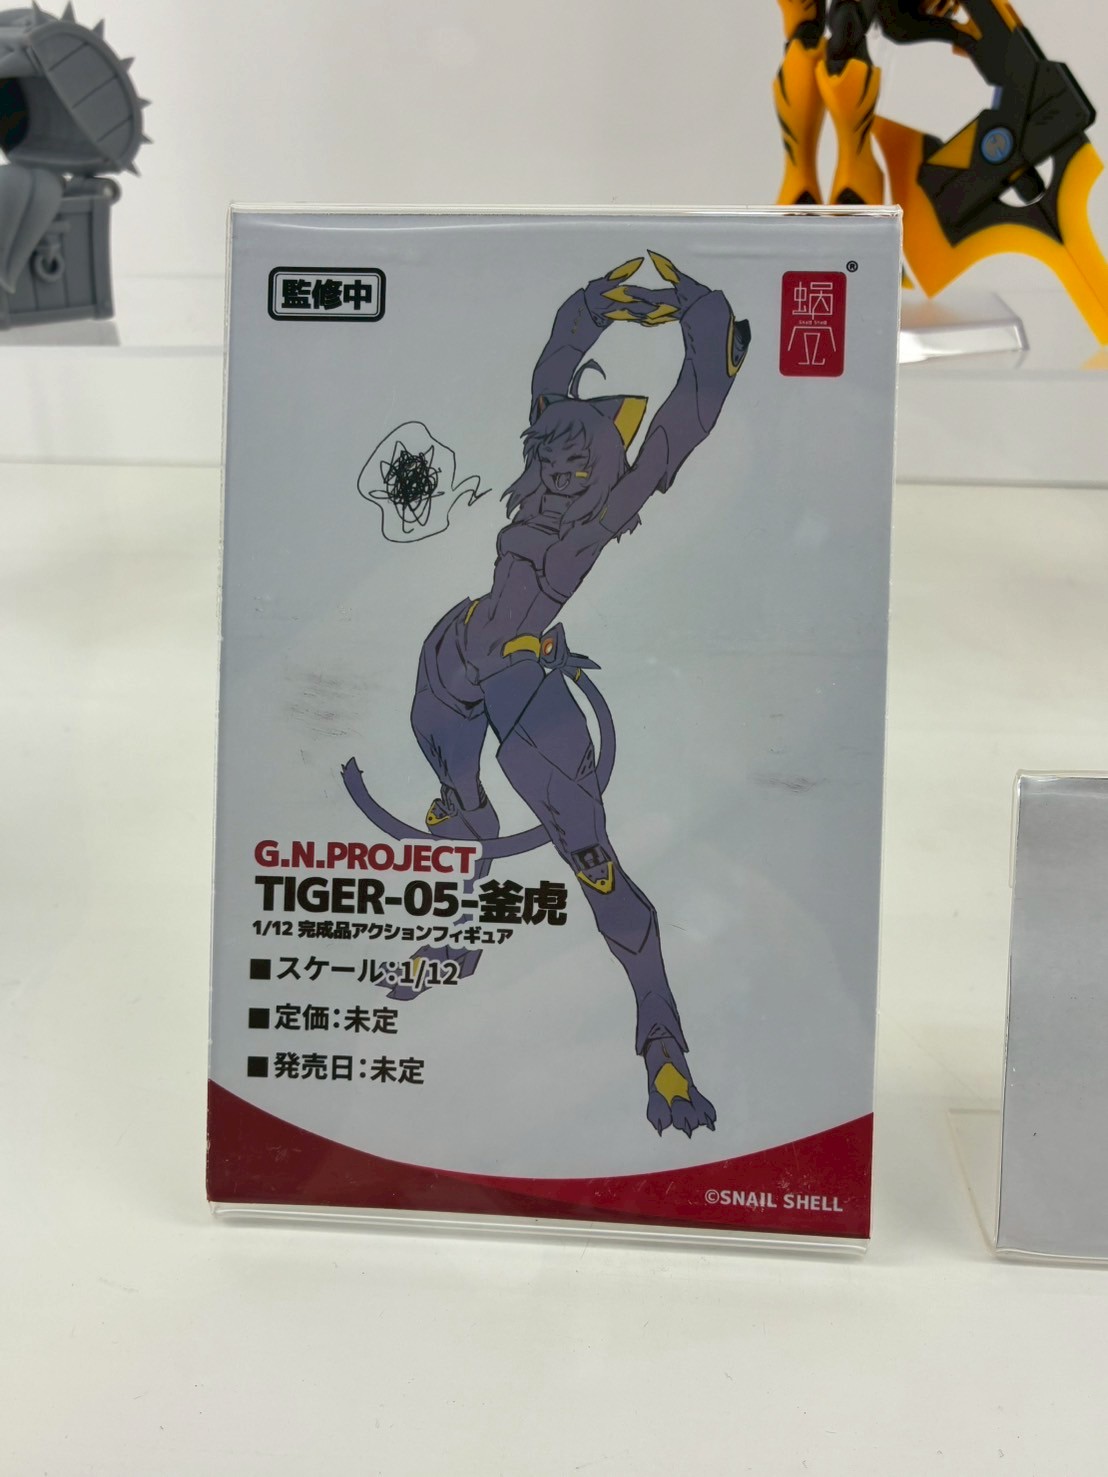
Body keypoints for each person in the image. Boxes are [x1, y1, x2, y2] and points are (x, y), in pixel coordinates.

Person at [403, 253, 749, 1137]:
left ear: (601, 466)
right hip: (457, 649)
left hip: (522, 684)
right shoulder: (552, 447)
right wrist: (605, 303)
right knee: (465, 808)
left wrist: (702, 316)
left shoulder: (611, 504)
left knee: (595, 865)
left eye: (578, 461)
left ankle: (663, 1050)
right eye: (553, 457)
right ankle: (452, 935)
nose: (561, 471)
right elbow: (556, 363)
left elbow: (687, 417)